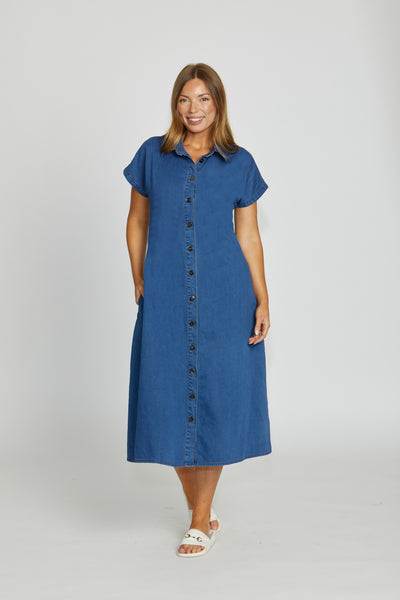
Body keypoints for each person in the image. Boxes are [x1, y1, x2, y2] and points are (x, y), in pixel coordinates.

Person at [123, 63, 272, 558]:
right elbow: (136, 220)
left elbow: (249, 236)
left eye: (204, 99)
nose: (194, 109)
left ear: (218, 104)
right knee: (166, 400)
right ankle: (202, 511)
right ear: (175, 104)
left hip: (226, 295)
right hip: (166, 294)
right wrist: (138, 275)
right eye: (185, 99)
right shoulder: (152, 155)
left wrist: (263, 297)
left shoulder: (239, 162)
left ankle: (199, 518)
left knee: (217, 401)